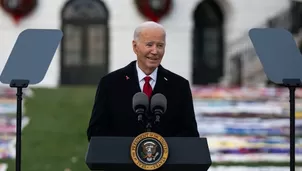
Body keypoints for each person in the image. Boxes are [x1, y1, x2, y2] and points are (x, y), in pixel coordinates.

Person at [87, 21, 199, 141]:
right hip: (122, 158)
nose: (155, 51)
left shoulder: (179, 86)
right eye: (149, 45)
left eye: (160, 45)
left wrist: (161, 149)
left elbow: (190, 133)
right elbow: (96, 131)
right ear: (135, 47)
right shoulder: (110, 83)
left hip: (167, 158)